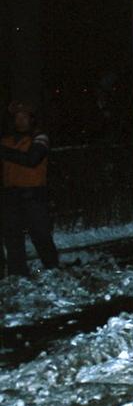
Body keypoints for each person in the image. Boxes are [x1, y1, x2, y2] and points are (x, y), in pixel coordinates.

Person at [0, 101, 59, 277]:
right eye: (17, 117)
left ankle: (52, 269)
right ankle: (18, 274)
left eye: (24, 117)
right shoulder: (7, 140)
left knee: (40, 234)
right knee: (12, 237)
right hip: (11, 194)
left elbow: (32, 159)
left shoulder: (40, 138)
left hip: (33, 194)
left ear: (32, 119)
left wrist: (3, 152)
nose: (20, 121)